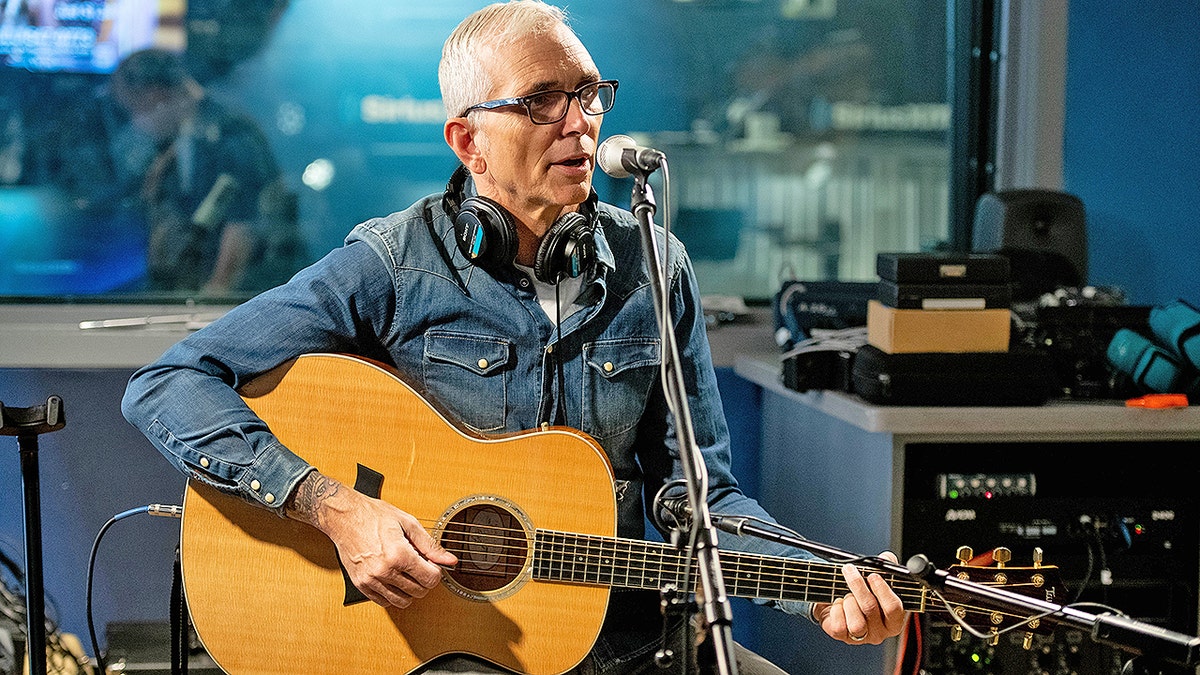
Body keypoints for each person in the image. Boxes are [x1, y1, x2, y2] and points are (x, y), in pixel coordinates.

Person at [121, 2, 907, 673]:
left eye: (589, 94)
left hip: (629, 642)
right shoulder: (394, 264)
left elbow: (700, 495)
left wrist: (814, 580)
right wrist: (332, 505)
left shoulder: (653, 264)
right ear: (468, 142)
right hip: (452, 650)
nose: (580, 121)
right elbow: (168, 383)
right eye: (541, 100)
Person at [105, 48, 299, 294]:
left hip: (243, 295)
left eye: (136, 109)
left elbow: (243, 222)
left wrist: (217, 289)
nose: (137, 121)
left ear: (156, 95)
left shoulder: (231, 133)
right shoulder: (178, 143)